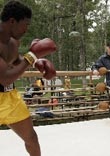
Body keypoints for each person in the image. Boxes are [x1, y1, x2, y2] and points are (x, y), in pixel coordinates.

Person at [0, 1, 57, 156]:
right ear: (12, 21)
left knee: (31, 138)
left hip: (10, 98)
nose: (27, 29)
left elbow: (15, 60)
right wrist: (32, 56)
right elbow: (4, 78)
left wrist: (36, 62)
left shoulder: (13, 42)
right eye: (25, 24)